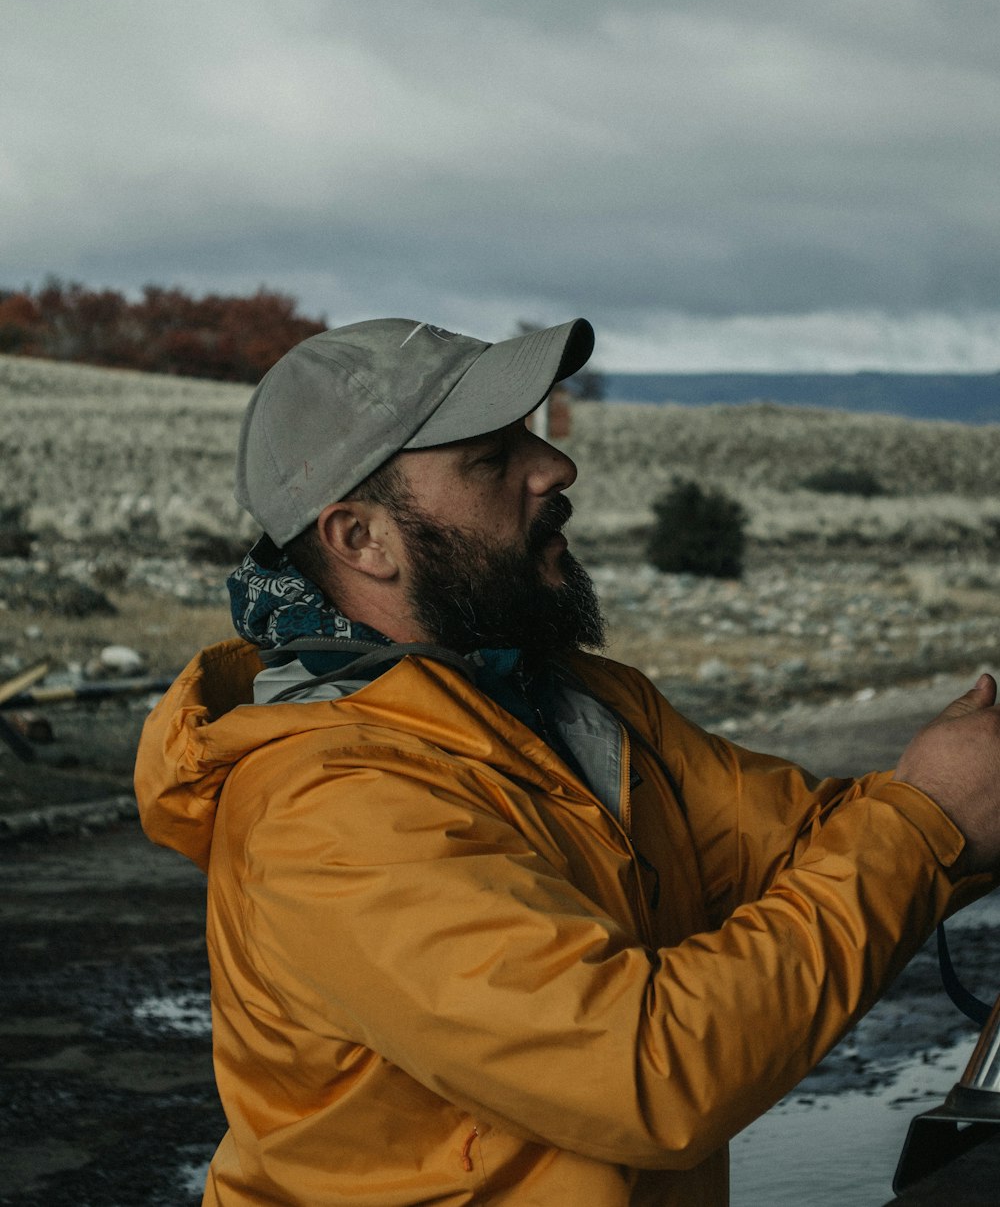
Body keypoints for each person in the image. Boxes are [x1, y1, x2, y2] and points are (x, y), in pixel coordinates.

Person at [134, 317, 1000, 1207]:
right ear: (361, 539)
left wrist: (955, 799)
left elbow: (818, 838)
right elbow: (649, 1071)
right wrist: (928, 816)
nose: (554, 469)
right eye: (490, 456)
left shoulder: (572, 701)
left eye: (531, 440)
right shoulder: (327, 807)